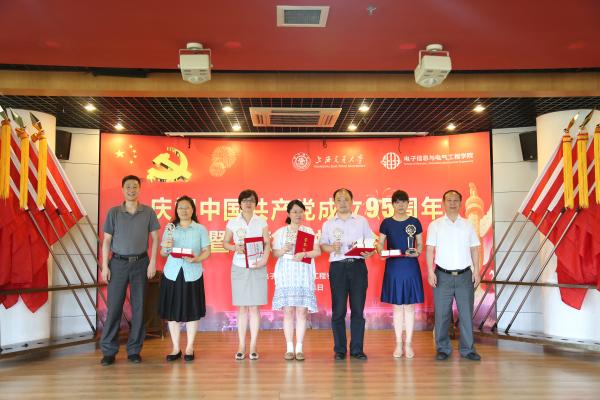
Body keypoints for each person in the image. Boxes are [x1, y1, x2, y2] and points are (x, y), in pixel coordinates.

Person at [99, 175, 160, 366]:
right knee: (114, 308)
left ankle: (134, 350)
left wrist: (152, 262)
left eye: (135, 187)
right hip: (117, 264)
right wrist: (104, 266)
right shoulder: (114, 212)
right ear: (122, 189)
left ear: (139, 189)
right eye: (128, 187)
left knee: (139, 308)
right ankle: (109, 351)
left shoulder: (148, 212)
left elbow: (155, 239)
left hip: (141, 263)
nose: (131, 190)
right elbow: (106, 241)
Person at [320, 188, 375, 360]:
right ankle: (340, 349)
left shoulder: (361, 221)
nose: (342, 202)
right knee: (338, 310)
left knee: (358, 309)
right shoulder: (328, 224)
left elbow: (371, 243)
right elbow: (323, 245)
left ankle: (357, 349)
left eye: (346, 199)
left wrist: (369, 252)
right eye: (339, 199)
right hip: (338, 267)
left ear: (352, 201)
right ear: (334, 203)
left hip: (358, 266)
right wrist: (331, 247)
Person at [426, 189, 481, 361]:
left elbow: (474, 249)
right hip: (442, 275)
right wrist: (430, 271)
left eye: (456, 200)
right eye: (449, 200)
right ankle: (442, 348)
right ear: (443, 203)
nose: (452, 203)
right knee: (442, 315)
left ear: (460, 203)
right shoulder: (435, 225)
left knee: (466, 314)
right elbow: (429, 250)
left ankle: (467, 349)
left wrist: (477, 271)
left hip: (465, 275)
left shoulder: (468, 225)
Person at [159, 196, 211, 362]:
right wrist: (167, 246)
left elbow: (207, 251)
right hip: (172, 273)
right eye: (180, 207)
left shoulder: (200, 229)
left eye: (187, 207)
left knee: (192, 311)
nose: (183, 210)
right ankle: (175, 348)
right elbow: (163, 253)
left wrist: (196, 259)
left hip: (192, 273)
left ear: (193, 209)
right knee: (172, 312)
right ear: (176, 210)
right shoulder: (170, 228)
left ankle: (189, 347)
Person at [223, 189, 271, 360]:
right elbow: (225, 243)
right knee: (242, 308)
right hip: (239, 266)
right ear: (240, 204)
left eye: (251, 200)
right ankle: (241, 345)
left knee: (255, 307)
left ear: (256, 203)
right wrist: (234, 247)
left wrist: (264, 259)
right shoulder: (233, 222)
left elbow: (267, 243)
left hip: (257, 266)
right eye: (245, 200)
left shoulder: (261, 221)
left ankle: (253, 346)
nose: (248, 203)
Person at [376, 190, 424, 358]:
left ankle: (408, 344)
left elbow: (420, 244)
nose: (400, 205)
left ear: (408, 203)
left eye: (403, 201)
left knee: (410, 306)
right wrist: (380, 251)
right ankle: (398, 344)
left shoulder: (415, 222)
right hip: (394, 266)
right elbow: (380, 243)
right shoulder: (386, 223)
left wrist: (417, 252)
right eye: (397, 202)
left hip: (410, 266)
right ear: (393, 204)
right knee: (396, 307)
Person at [272, 200, 320, 361]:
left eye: (300, 211)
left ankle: (299, 348)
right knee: (288, 311)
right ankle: (289, 348)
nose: (298, 215)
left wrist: (304, 254)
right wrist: (283, 249)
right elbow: (274, 254)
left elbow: (317, 251)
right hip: (286, 274)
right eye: (294, 212)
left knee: (301, 311)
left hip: (303, 273)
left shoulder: (308, 231)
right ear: (289, 214)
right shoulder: (280, 232)